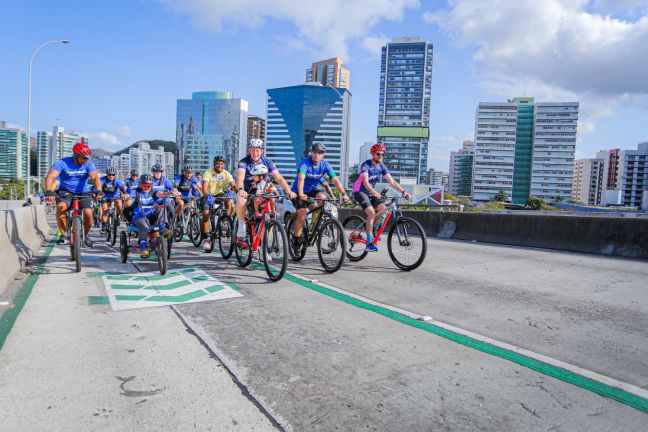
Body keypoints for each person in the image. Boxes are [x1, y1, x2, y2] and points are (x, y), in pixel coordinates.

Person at [235, 138, 296, 248]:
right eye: (252, 150)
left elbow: (279, 178)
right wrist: (240, 189)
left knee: (269, 216)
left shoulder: (268, 162)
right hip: (248, 190)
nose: (255, 152)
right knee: (240, 197)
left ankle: (264, 245)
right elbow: (240, 177)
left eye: (257, 150)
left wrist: (288, 191)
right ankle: (241, 224)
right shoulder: (244, 162)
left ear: (262, 151)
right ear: (249, 150)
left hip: (264, 189)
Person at [353, 143, 413, 252]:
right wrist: (374, 192)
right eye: (378, 154)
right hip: (360, 191)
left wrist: (404, 192)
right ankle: (369, 243)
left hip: (371, 193)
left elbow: (392, 181)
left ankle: (373, 229)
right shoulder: (366, 165)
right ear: (372, 154)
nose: (381, 156)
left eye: (383, 154)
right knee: (371, 213)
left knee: (384, 211)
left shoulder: (382, 166)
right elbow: (365, 182)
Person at [290, 142, 349, 251]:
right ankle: (296, 239)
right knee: (302, 215)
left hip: (312, 190)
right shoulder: (305, 163)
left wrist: (344, 194)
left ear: (323, 154)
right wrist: (301, 193)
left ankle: (316, 226)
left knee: (322, 198)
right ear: (311, 153)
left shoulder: (325, 164)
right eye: (315, 152)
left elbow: (335, 180)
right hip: (299, 191)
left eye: (320, 152)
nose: (317, 154)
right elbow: (301, 178)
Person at [44, 141, 102, 247]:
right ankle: (63, 234)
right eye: (83, 158)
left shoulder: (88, 164)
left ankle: (84, 236)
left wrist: (98, 190)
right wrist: (49, 190)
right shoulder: (62, 163)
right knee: (61, 208)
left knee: (88, 214)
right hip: (65, 192)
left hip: (83, 192)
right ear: (76, 156)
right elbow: (51, 176)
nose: (86, 160)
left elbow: (95, 177)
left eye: (87, 158)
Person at [201, 155, 237, 251]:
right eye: (217, 163)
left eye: (221, 164)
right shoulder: (208, 172)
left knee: (228, 200)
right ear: (214, 164)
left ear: (224, 165)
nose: (219, 165)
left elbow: (233, 185)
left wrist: (239, 191)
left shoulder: (226, 173)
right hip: (208, 195)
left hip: (219, 194)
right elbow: (204, 185)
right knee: (206, 215)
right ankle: (206, 238)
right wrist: (206, 194)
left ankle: (225, 220)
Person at [131, 174, 167, 258]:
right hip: (139, 217)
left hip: (150, 217)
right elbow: (129, 201)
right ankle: (143, 248)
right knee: (143, 224)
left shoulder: (153, 192)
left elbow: (160, 194)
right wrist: (126, 197)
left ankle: (162, 228)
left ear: (151, 185)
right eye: (144, 185)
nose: (146, 187)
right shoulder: (136, 193)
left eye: (149, 185)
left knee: (162, 207)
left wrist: (171, 192)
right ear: (140, 184)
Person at [150, 163, 177, 237]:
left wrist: (175, 192)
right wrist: (169, 192)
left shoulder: (165, 179)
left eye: (160, 172)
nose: (158, 173)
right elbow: (156, 193)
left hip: (165, 200)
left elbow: (172, 188)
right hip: (154, 202)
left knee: (173, 212)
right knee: (161, 209)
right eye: (156, 172)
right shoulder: (151, 181)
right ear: (153, 172)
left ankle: (172, 226)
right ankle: (161, 227)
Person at [99, 167, 128, 232]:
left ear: (115, 175)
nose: (111, 176)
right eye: (109, 175)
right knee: (105, 210)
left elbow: (123, 189)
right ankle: (103, 226)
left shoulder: (118, 181)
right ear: (107, 174)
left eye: (113, 175)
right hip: (105, 197)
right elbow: (97, 187)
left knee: (119, 205)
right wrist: (97, 193)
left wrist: (125, 195)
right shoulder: (102, 179)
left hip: (115, 196)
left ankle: (117, 217)